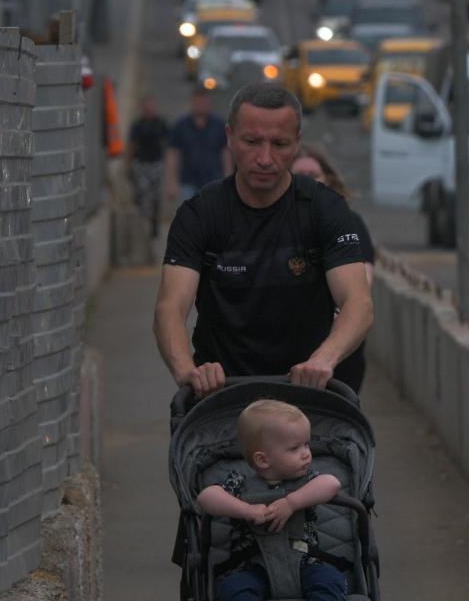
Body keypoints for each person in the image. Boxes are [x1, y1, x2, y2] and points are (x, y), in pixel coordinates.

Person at [156, 83, 376, 402]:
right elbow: (170, 307)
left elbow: (358, 303)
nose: (265, 158)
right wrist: (186, 370)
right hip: (223, 396)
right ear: (229, 137)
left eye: (280, 144)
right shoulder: (200, 214)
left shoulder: (325, 208)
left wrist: (324, 359)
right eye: (252, 142)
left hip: (307, 392)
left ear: (297, 143)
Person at [196, 399, 351, 601]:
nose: (306, 453)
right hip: (255, 566)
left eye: (306, 444)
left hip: (305, 561)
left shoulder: (308, 480)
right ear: (263, 459)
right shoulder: (239, 482)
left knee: (331, 581)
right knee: (234, 587)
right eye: (294, 448)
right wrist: (246, 510)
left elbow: (332, 484)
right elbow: (206, 497)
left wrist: (292, 502)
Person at [167, 92, 229, 197]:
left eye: (204, 102)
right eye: (198, 102)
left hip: (214, 180)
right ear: (193, 102)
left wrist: (229, 180)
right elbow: (172, 154)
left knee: (212, 212)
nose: (201, 105)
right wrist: (171, 182)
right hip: (188, 180)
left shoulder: (219, 125)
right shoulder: (181, 126)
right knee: (190, 212)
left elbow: (226, 153)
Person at [126, 92, 173, 225]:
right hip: (140, 163)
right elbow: (131, 145)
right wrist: (128, 165)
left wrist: (169, 166)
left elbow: (169, 145)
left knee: (155, 196)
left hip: (156, 163)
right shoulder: (137, 125)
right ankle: (141, 220)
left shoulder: (161, 124)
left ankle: (154, 223)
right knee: (141, 193)